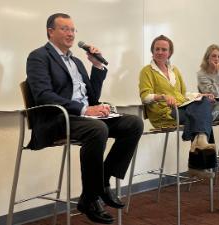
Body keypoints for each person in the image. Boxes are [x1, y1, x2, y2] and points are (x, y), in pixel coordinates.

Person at [26, 13, 143, 224]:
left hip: (82, 117)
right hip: (57, 119)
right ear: (50, 31)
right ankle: (90, 199)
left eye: (73, 30)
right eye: (64, 29)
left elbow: (92, 97)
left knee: (133, 123)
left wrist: (96, 67)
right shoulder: (38, 57)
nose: (70, 34)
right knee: (98, 129)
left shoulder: (78, 62)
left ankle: (102, 182)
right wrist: (84, 110)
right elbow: (43, 94)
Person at [139, 35, 217, 177]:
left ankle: (200, 142)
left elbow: (183, 94)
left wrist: (199, 95)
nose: (160, 52)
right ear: (152, 51)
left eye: (164, 49)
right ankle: (197, 161)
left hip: (181, 108)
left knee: (204, 103)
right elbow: (145, 97)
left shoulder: (174, 70)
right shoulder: (147, 71)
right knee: (203, 118)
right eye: (157, 49)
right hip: (164, 112)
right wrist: (162, 96)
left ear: (170, 52)